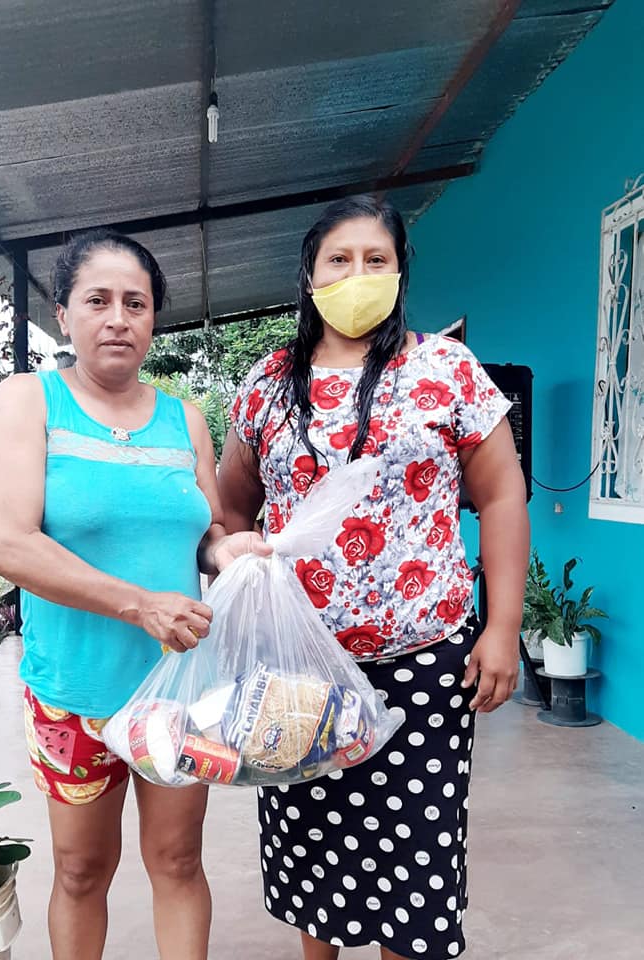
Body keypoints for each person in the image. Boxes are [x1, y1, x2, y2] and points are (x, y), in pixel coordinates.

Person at [217, 196, 529, 960]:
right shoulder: (267, 383)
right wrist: (233, 562)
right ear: (309, 275)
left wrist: (501, 628)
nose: (357, 275)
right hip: (297, 669)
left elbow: (500, 496)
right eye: (339, 260)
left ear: (398, 272)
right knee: (313, 851)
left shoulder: (445, 370)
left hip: (423, 664)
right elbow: (230, 510)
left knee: (415, 858)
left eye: (375, 259)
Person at [0, 228, 268, 960]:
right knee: (81, 870)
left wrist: (225, 550)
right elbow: (8, 543)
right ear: (62, 313)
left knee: (177, 860)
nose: (117, 319)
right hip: (74, 691)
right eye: (97, 300)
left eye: (135, 304)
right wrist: (140, 604)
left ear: (153, 318)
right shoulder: (29, 401)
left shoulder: (184, 419)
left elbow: (204, 532)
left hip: (179, 691)